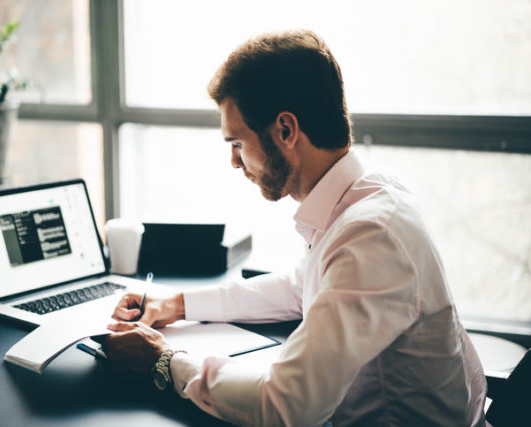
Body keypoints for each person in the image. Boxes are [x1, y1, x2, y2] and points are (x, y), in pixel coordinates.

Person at [95, 30, 487, 426]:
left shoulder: (370, 235)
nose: (234, 161)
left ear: (285, 130)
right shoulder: (366, 193)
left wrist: (165, 361)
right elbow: (301, 288)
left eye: (237, 142)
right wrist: (177, 304)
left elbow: (287, 407)